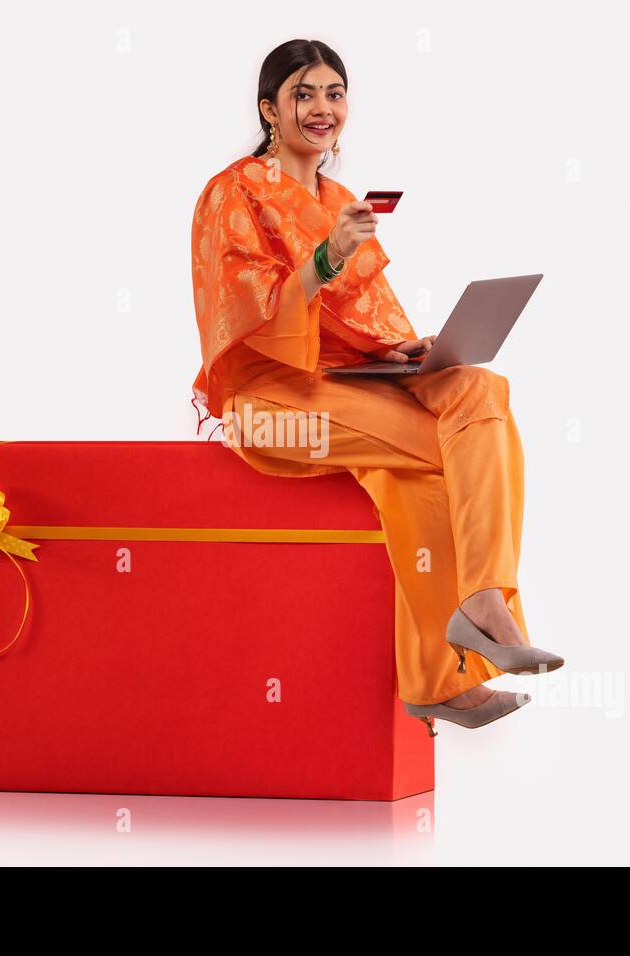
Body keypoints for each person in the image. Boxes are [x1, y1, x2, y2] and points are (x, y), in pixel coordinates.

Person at [188, 39, 564, 735]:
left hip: (342, 389)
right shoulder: (231, 192)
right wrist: (327, 257)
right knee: (440, 454)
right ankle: (482, 612)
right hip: (268, 404)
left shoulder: (336, 200)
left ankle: (442, 664)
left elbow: (363, 317)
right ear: (270, 109)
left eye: (334, 92)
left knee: (477, 390)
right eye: (304, 93)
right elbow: (241, 316)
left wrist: (404, 351)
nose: (322, 107)